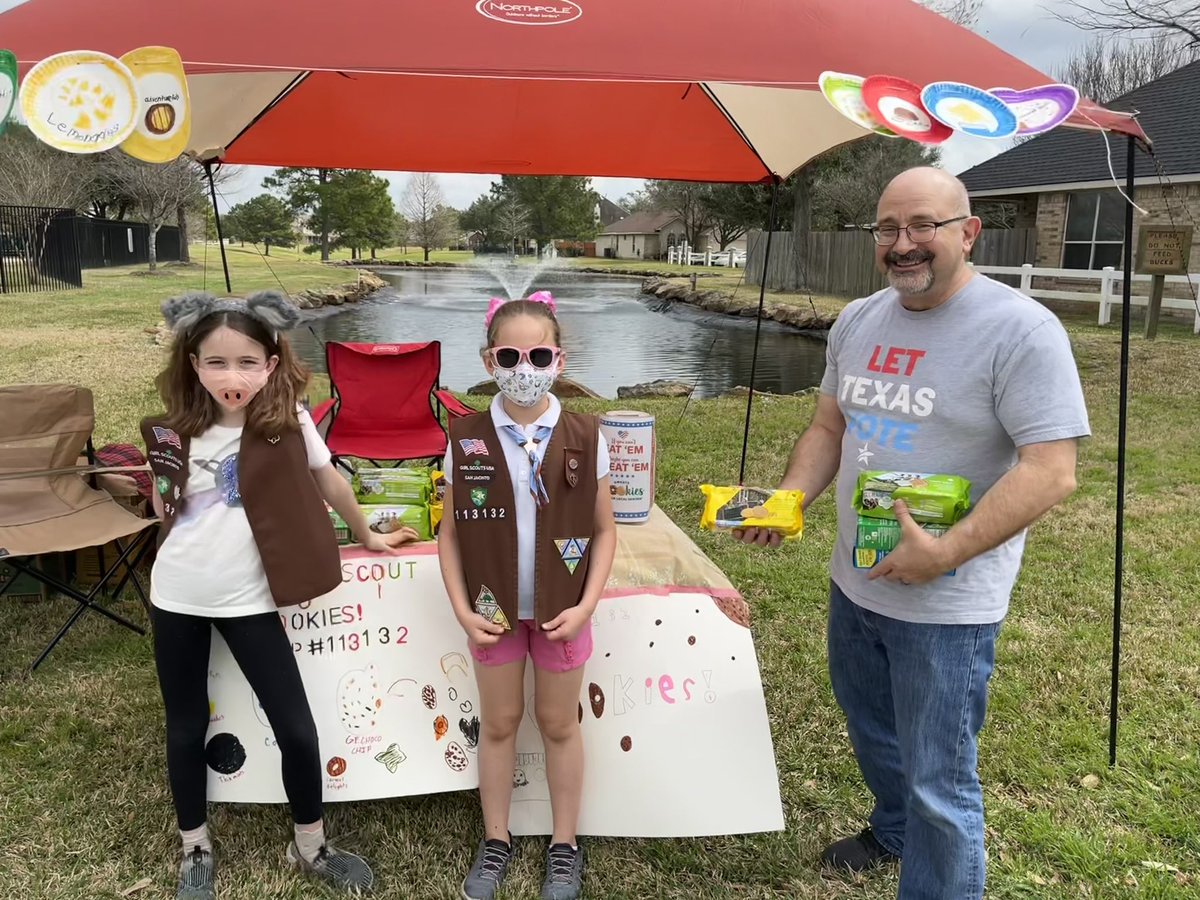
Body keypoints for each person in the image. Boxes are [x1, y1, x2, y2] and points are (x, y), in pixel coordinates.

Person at [735, 168, 1089, 899]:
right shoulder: (861, 319)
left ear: (967, 232)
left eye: (922, 225)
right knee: (870, 725)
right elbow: (831, 426)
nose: (904, 244)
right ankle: (894, 829)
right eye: (888, 229)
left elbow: (1051, 470)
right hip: (855, 579)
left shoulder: (1021, 329)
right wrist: (791, 500)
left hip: (948, 605)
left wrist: (946, 552)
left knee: (941, 779)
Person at [142, 291, 419, 900]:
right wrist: (159, 490)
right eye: (215, 362)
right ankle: (194, 845)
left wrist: (366, 532)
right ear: (193, 364)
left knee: (296, 728)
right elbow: (164, 509)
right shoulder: (174, 430)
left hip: (251, 602)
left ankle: (311, 843)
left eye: (247, 362)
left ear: (271, 363)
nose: (231, 376)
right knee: (185, 726)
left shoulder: (287, 420)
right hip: (179, 596)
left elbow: (327, 477)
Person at [437, 291, 617, 900]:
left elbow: (604, 529)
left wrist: (587, 604)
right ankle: (496, 838)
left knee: (557, 722)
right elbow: (450, 532)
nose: (524, 366)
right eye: (509, 354)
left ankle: (564, 844)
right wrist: (463, 608)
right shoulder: (465, 437)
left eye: (537, 354)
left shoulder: (586, 434)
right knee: (501, 721)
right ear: (489, 361)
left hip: (563, 610)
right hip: (492, 612)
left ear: (558, 360)